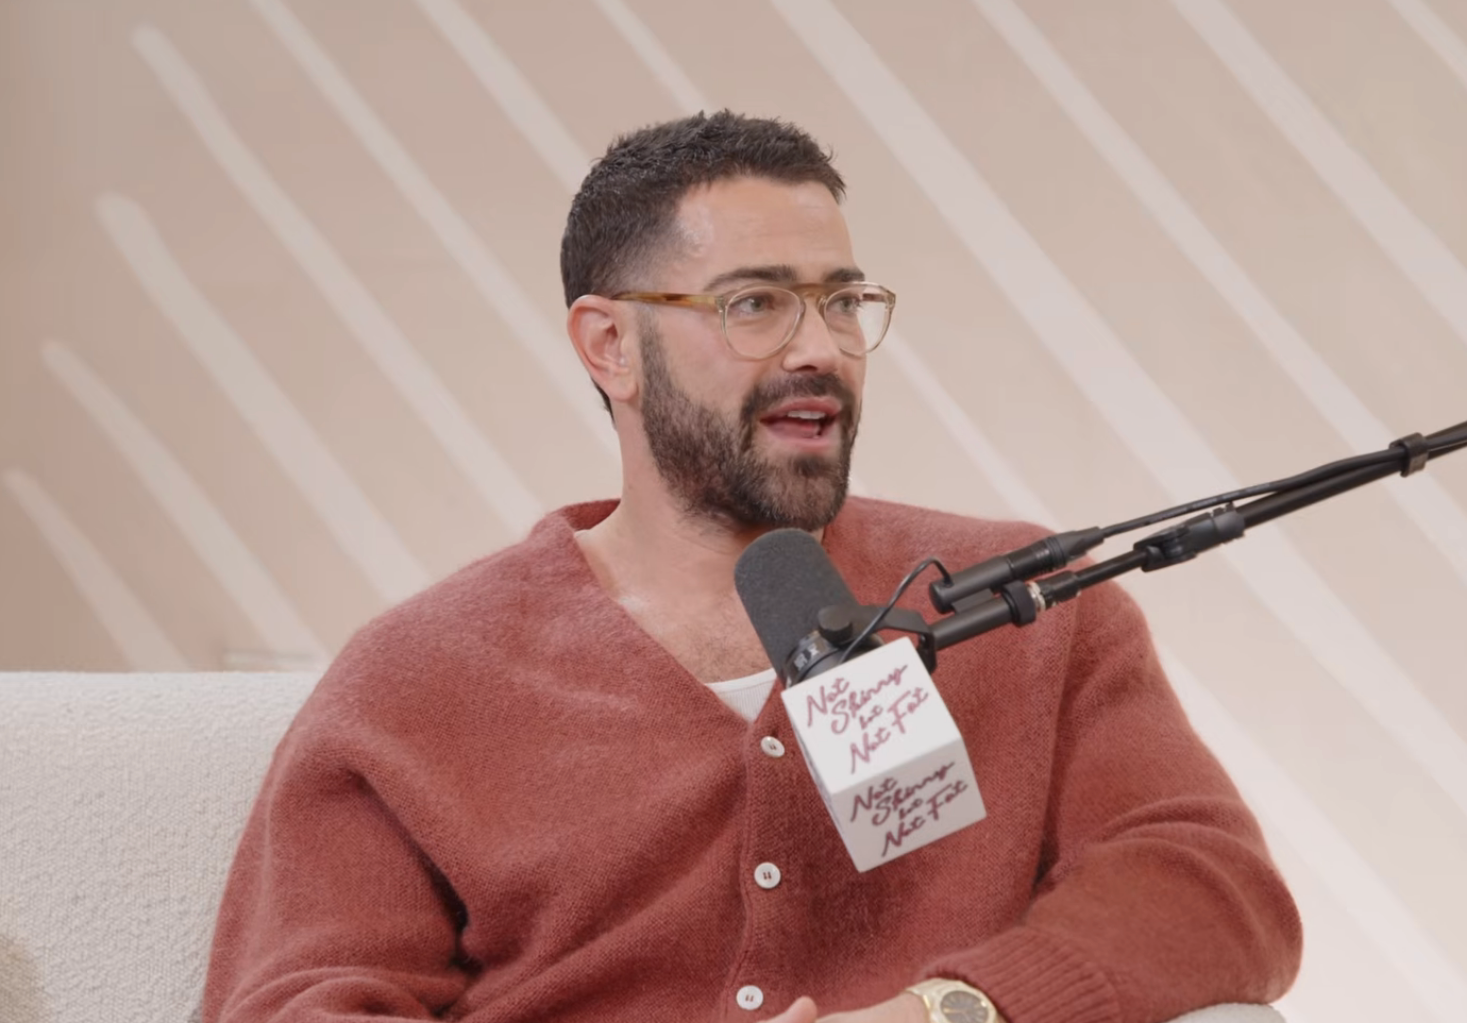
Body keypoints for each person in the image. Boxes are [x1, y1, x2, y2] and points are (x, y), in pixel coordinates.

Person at [203, 112, 1301, 1023]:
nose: (819, 346)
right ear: (608, 346)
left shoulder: (1019, 600)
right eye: (756, 303)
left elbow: (1211, 889)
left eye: (841, 300)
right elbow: (301, 1001)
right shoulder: (419, 679)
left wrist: (950, 1011)